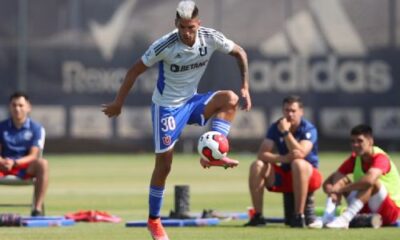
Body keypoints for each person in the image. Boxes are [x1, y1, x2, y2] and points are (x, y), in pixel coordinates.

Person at [102, 1, 251, 239]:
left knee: (230, 99)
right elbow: (134, 71)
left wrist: (245, 86)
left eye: (191, 27)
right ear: (176, 24)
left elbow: (240, 52)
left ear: (198, 24)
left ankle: (213, 153)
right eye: (182, 27)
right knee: (164, 166)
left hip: (191, 101)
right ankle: (154, 221)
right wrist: (118, 103)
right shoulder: (165, 44)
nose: (187, 33)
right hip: (167, 109)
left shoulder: (210, 37)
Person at [245, 95, 321, 228]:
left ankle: (299, 215)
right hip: (286, 175)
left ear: (301, 112)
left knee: (298, 164)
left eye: (293, 110)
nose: (290, 114)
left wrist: (286, 133)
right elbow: (262, 154)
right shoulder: (276, 127)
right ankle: (258, 216)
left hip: (309, 177)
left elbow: (301, 154)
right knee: (257, 165)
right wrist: (282, 158)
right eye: (286, 110)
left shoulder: (308, 129)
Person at [321, 124, 400, 229]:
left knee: (371, 182)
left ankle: (345, 219)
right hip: (365, 206)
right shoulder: (355, 158)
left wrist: (341, 189)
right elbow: (332, 179)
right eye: (352, 141)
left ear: (370, 141)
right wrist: (333, 191)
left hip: (390, 212)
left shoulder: (381, 158)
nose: (355, 145)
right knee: (337, 177)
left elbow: (369, 181)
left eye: (360, 141)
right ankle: (328, 216)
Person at [0, 92, 49, 216]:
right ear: (9, 107)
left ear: (28, 107)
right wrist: (3, 162)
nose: (17, 108)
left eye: (21, 105)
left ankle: (36, 210)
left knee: (42, 163)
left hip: (24, 167)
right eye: (14, 105)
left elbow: (33, 155)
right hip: (3, 165)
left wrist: (15, 162)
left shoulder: (36, 128)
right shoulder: (2, 127)